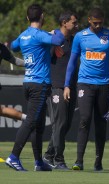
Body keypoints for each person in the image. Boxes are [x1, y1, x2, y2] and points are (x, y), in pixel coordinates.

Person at [5, 4, 64, 171]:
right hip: (40, 84)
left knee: (38, 124)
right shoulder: (40, 35)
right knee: (31, 121)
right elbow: (59, 40)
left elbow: (14, 46)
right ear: (42, 17)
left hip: (28, 82)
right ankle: (14, 156)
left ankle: (39, 162)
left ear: (27, 18)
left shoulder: (24, 36)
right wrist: (55, 32)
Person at [63, 7, 109, 171]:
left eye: (100, 23)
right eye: (95, 23)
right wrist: (67, 84)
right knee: (84, 119)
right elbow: (72, 62)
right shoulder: (80, 37)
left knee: (101, 122)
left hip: (104, 84)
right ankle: (79, 161)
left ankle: (98, 161)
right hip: (84, 83)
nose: (98, 26)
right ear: (89, 20)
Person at [43, 11, 78, 170]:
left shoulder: (74, 40)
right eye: (74, 22)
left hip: (71, 86)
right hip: (56, 86)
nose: (76, 25)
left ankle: (48, 155)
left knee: (65, 124)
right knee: (60, 123)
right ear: (64, 22)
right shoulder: (53, 39)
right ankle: (58, 160)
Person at [0, 43, 27, 121]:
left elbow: (14, 60)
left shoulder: (2, 48)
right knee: (1, 110)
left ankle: (29, 119)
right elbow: (14, 60)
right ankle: (28, 119)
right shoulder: (2, 47)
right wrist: (30, 63)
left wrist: (30, 63)